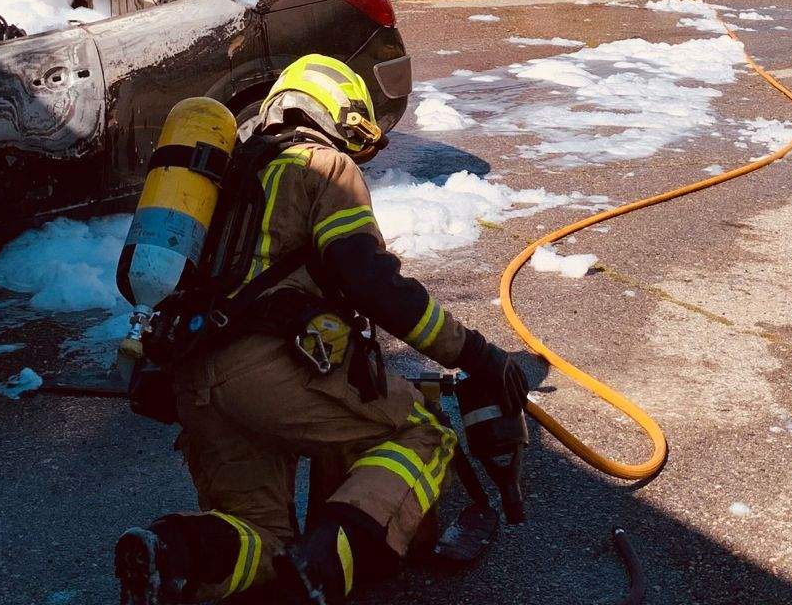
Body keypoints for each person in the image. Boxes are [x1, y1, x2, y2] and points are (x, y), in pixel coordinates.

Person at [115, 56, 528, 605]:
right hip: (266, 371)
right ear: (338, 111)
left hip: (193, 383)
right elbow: (370, 280)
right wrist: (474, 353)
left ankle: (176, 553)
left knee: (259, 533)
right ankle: (327, 567)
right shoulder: (320, 166)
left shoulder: (222, 181)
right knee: (422, 434)